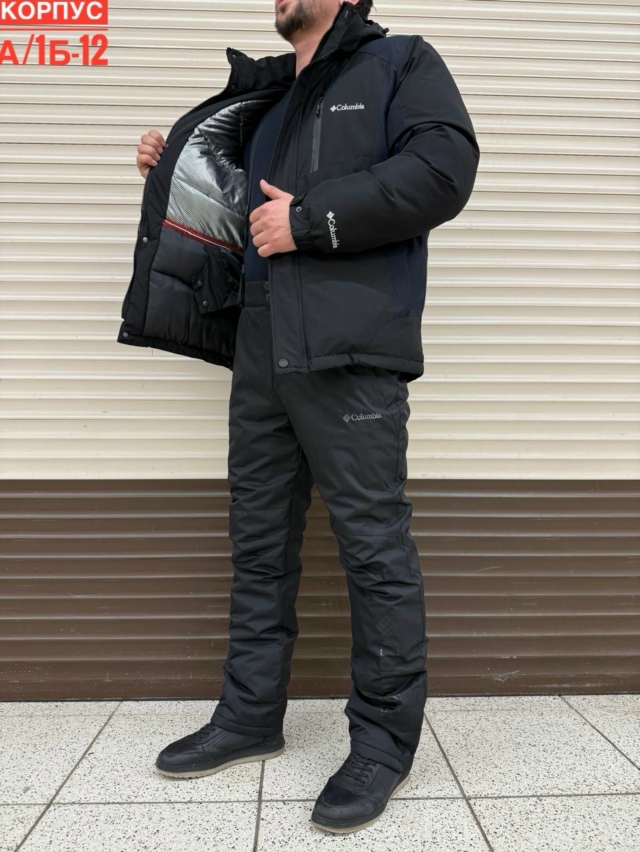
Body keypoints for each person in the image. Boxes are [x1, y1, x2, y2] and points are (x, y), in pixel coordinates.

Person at [132, 0, 479, 835]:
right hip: (259, 342)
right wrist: (176, 167)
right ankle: (250, 715)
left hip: (348, 345)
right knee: (259, 541)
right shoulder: (268, 96)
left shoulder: (399, 63)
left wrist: (311, 220)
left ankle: (382, 747)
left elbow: (443, 170)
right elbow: (244, 219)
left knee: (373, 548)